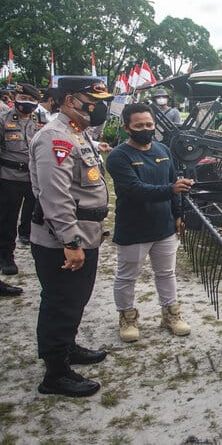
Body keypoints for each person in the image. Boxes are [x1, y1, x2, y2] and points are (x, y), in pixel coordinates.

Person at [29, 76, 113, 397]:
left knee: (75, 299)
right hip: (62, 239)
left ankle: (67, 347)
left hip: (82, 233)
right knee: (61, 301)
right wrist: (71, 241)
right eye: (91, 101)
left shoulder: (77, 133)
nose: (98, 107)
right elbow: (54, 195)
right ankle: (55, 374)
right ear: (68, 101)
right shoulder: (56, 137)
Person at [106, 103, 193, 343]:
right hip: (134, 227)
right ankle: (127, 317)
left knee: (166, 273)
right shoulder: (118, 157)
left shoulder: (163, 150)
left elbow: (173, 183)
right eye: (139, 125)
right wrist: (171, 189)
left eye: (149, 124)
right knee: (127, 276)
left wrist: (178, 214)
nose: (146, 129)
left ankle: (171, 315)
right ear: (127, 128)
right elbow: (134, 190)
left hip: (163, 225)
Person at [0, 83, 42, 278]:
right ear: (16, 98)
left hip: (33, 177)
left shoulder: (40, 121)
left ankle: (37, 251)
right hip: (9, 178)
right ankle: (6, 257)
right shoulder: (3, 120)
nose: (27, 103)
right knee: (7, 219)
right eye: (23, 98)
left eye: (32, 100)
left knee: (35, 218)